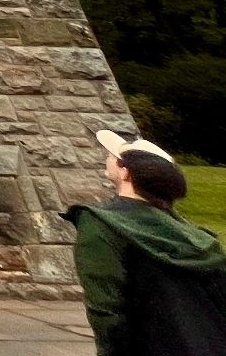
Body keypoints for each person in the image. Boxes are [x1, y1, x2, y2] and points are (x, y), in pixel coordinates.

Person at [64, 129, 226, 355]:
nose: (108, 157)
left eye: (114, 157)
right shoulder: (198, 237)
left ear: (125, 172)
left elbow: (106, 311)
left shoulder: (101, 222)